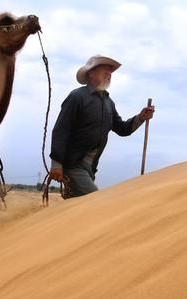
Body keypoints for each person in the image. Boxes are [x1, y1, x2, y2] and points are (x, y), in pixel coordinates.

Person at [49, 55, 155, 198]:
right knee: (94, 201)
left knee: (79, 211)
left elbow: (122, 129)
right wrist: (56, 164)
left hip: (91, 168)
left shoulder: (108, 102)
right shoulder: (77, 97)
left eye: (110, 71)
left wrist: (141, 118)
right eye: (104, 69)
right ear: (91, 73)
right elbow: (61, 131)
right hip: (73, 165)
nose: (109, 74)